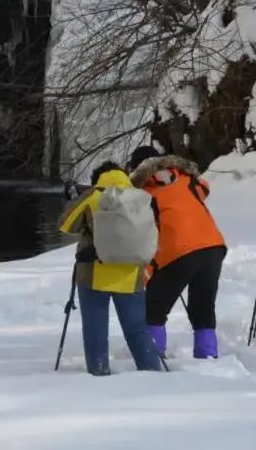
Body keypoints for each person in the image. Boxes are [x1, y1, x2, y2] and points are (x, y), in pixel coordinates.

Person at [58, 161, 162, 376]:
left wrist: (74, 199)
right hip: (131, 273)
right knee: (136, 329)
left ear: (97, 178)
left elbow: (66, 224)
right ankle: (153, 372)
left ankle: (99, 373)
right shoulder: (139, 197)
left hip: (94, 274)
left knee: (96, 330)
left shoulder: (94, 195)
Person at [127, 146, 227, 360]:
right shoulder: (186, 179)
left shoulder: (142, 192)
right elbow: (204, 188)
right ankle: (207, 355)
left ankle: (152, 356)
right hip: (212, 246)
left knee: (154, 306)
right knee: (203, 306)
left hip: (178, 251)